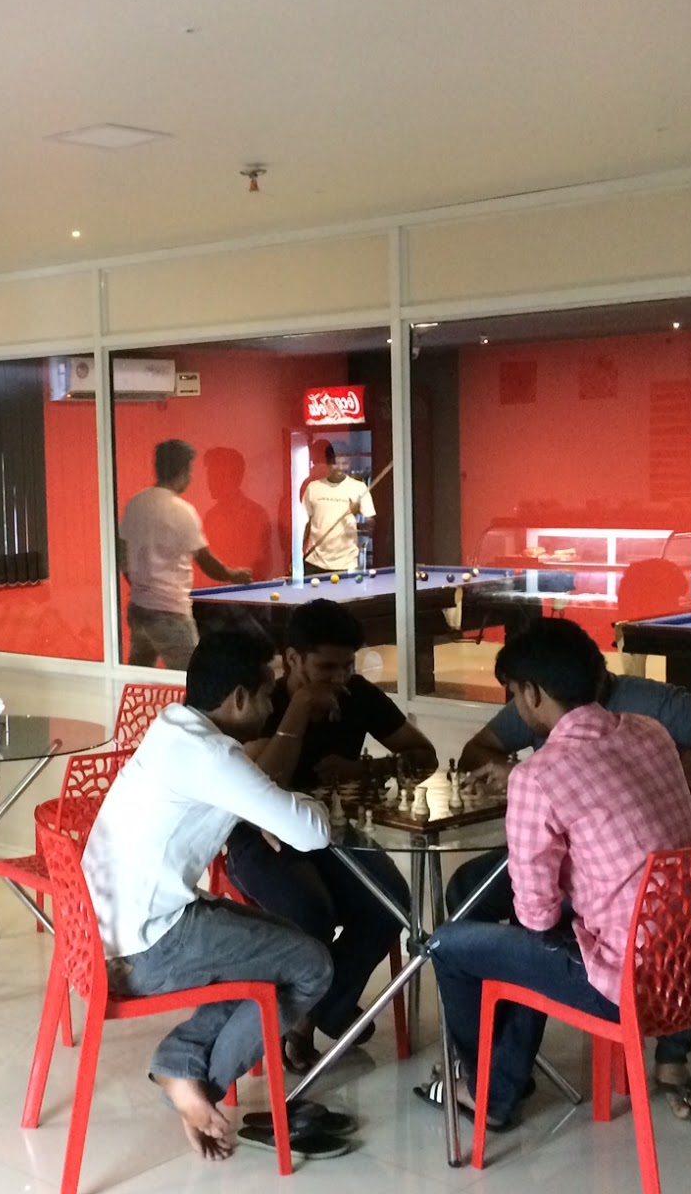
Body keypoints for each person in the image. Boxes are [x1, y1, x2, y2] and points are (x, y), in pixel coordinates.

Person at [431, 619, 691, 1118]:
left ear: (533, 694)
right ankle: (507, 1072)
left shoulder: (537, 777)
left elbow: (536, 917)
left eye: (515, 693)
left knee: (447, 945)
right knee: (520, 915)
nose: (516, 706)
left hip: (633, 986)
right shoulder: (650, 733)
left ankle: (488, 1090)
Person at [81, 630, 339, 1161]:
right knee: (312, 964)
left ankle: (181, 1059)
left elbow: (225, 793)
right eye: (268, 695)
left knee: (280, 946)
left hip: (104, 934)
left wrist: (260, 808)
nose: (272, 707)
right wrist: (304, 805)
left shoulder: (173, 730)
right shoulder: (211, 755)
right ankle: (196, 1082)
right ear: (240, 698)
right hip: (146, 947)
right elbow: (312, 833)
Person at [227, 598, 435, 1069]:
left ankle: (319, 1013)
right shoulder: (267, 700)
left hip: (333, 832)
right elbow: (261, 788)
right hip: (259, 838)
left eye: (347, 666)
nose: (339, 678)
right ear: (293, 659)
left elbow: (424, 756)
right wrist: (299, 709)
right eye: (326, 667)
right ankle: (311, 1021)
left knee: (391, 903)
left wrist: (363, 767)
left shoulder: (356, 694)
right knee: (312, 914)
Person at [118, 439, 252, 670]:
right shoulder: (182, 511)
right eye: (190, 470)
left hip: (138, 609)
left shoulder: (135, 504)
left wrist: (141, 586)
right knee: (190, 677)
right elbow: (206, 561)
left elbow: (123, 555)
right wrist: (233, 574)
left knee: (138, 676)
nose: (191, 477)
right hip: (170, 612)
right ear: (182, 471)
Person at [302, 443, 375, 574]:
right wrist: (295, 555)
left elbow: (371, 528)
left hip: (346, 563)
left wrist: (358, 514)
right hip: (314, 561)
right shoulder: (313, 488)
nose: (340, 468)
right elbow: (305, 525)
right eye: (335, 463)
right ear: (328, 463)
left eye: (345, 463)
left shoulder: (359, 488)